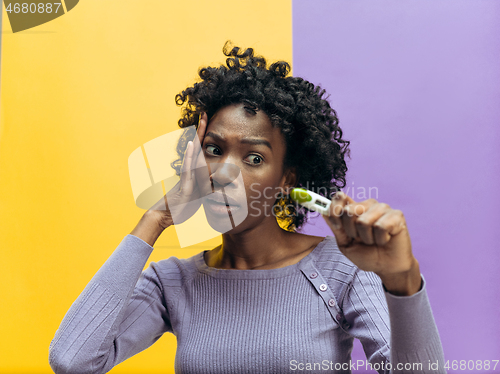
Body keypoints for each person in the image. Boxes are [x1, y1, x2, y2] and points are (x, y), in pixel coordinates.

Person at [49, 42, 446, 374]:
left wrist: (403, 280)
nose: (223, 172)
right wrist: (156, 218)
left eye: (253, 158)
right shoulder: (175, 283)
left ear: (288, 178)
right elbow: (73, 360)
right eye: (214, 149)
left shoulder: (339, 270)